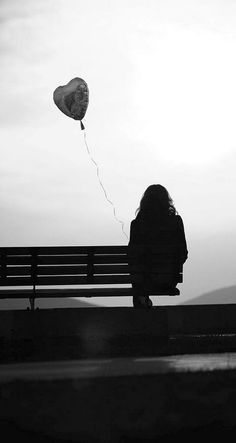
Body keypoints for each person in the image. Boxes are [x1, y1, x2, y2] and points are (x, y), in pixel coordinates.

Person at [128, 184, 188, 308]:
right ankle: (144, 302)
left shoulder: (137, 225)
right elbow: (183, 253)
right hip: (168, 280)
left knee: (138, 275)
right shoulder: (176, 222)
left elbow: (131, 256)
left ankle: (142, 304)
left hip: (143, 281)